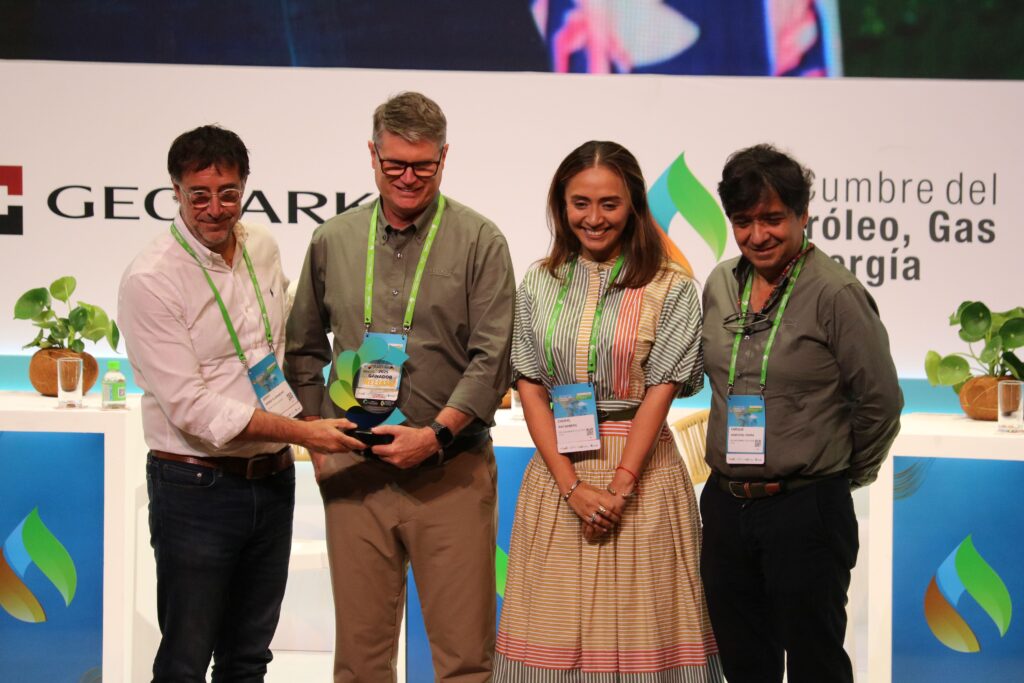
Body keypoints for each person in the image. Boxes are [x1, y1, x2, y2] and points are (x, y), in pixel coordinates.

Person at [284, 92, 515, 682]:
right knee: (360, 664)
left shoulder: (480, 241)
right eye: (395, 165)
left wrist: (435, 435)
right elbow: (303, 348)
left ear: (444, 157)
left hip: (451, 473)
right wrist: (315, 438)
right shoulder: (333, 239)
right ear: (372, 155)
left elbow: (492, 360)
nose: (409, 178)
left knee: (464, 662)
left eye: (423, 166)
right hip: (355, 476)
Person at [118, 125, 357, 682]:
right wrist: (307, 434)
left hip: (272, 481)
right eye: (198, 195)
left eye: (228, 193)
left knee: (249, 659)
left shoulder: (262, 248)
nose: (214, 209)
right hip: (195, 485)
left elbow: (285, 338)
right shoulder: (151, 280)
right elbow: (192, 408)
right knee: (184, 660)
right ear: (175, 191)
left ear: (245, 187)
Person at [494, 140, 723, 681]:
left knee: (647, 635)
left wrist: (619, 489)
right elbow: (530, 384)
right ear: (561, 205)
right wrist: (572, 487)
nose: (593, 218)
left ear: (634, 205)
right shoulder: (539, 281)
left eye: (609, 204)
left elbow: (661, 391)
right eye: (580, 203)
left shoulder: (671, 286)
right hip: (558, 478)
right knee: (552, 636)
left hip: (644, 481)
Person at [700, 143, 903, 683]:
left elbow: (881, 401)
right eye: (743, 221)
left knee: (816, 664)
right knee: (744, 665)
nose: (758, 235)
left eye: (772, 219)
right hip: (725, 504)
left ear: (803, 214)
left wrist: (839, 477)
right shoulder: (720, 284)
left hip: (805, 507)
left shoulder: (836, 293)